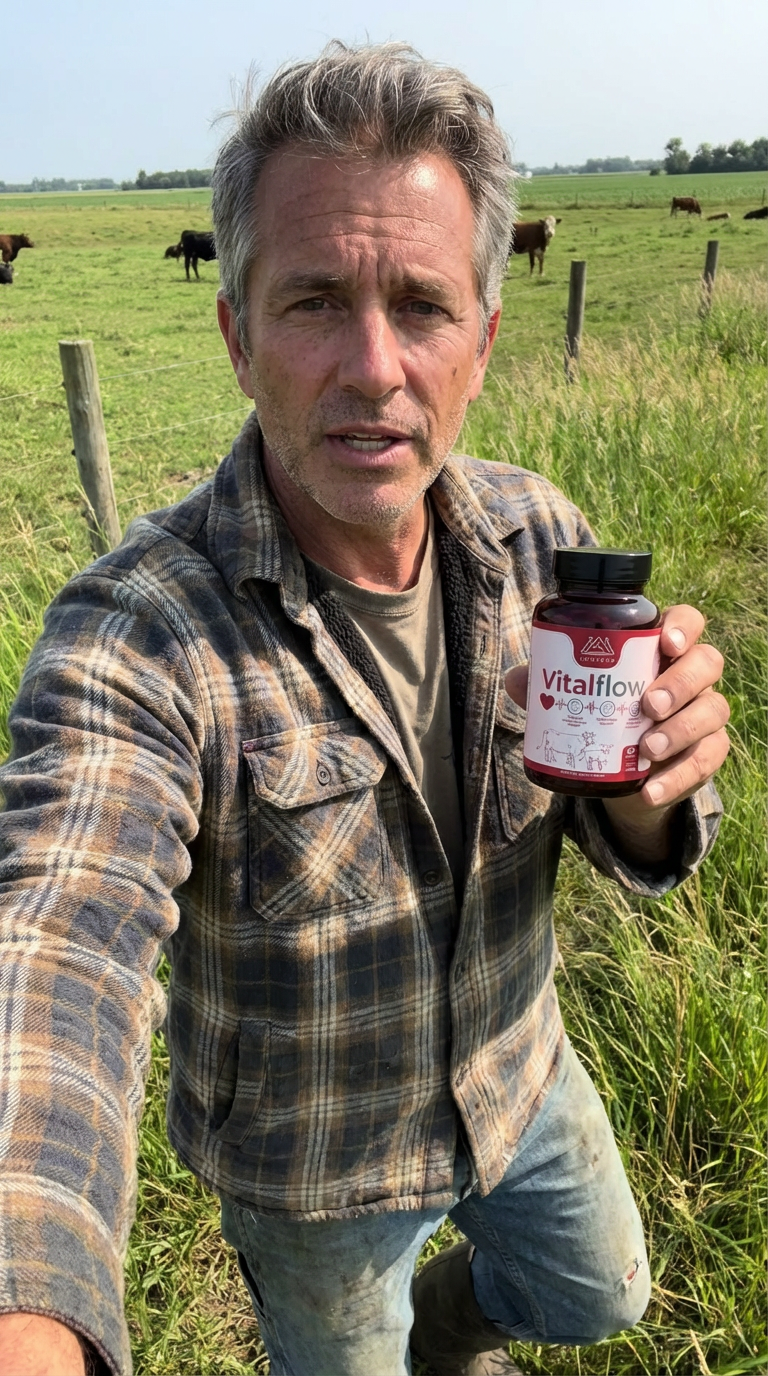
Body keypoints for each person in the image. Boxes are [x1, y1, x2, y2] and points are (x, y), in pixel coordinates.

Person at [0, 42, 729, 1376]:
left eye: (423, 306)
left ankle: (454, 1329)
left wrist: (646, 793)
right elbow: (59, 942)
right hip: (314, 1175)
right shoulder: (139, 632)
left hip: (519, 1078)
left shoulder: (539, 545)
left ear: (486, 340)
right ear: (236, 331)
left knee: (605, 1295)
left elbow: (640, 832)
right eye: (316, 301)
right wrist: (26, 1304)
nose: (374, 366)